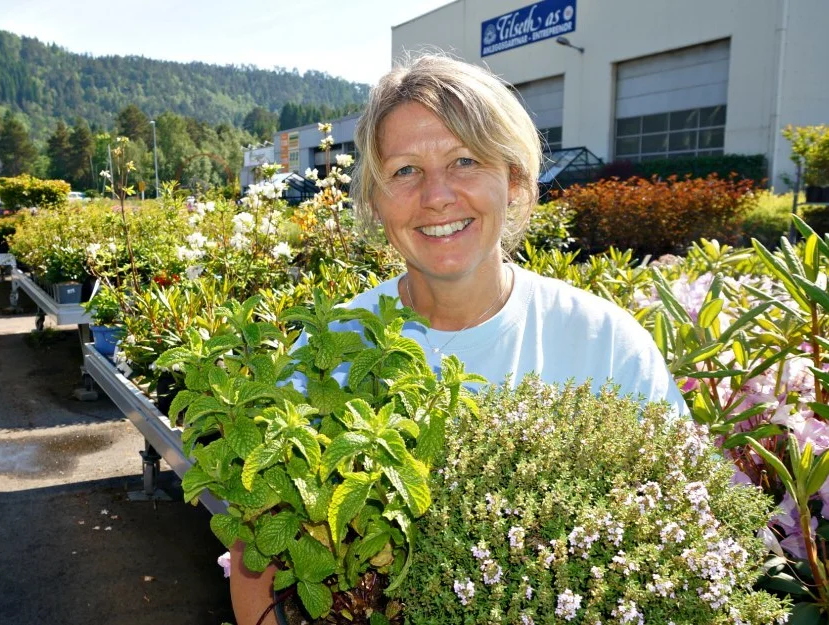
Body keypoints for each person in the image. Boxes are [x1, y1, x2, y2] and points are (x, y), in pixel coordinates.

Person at [227, 53, 687, 625]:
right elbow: (257, 562)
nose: (437, 195)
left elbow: (683, 532)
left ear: (514, 180)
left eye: (465, 160)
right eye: (404, 171)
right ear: (374, 198)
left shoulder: (605, 345)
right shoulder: (329, 350)